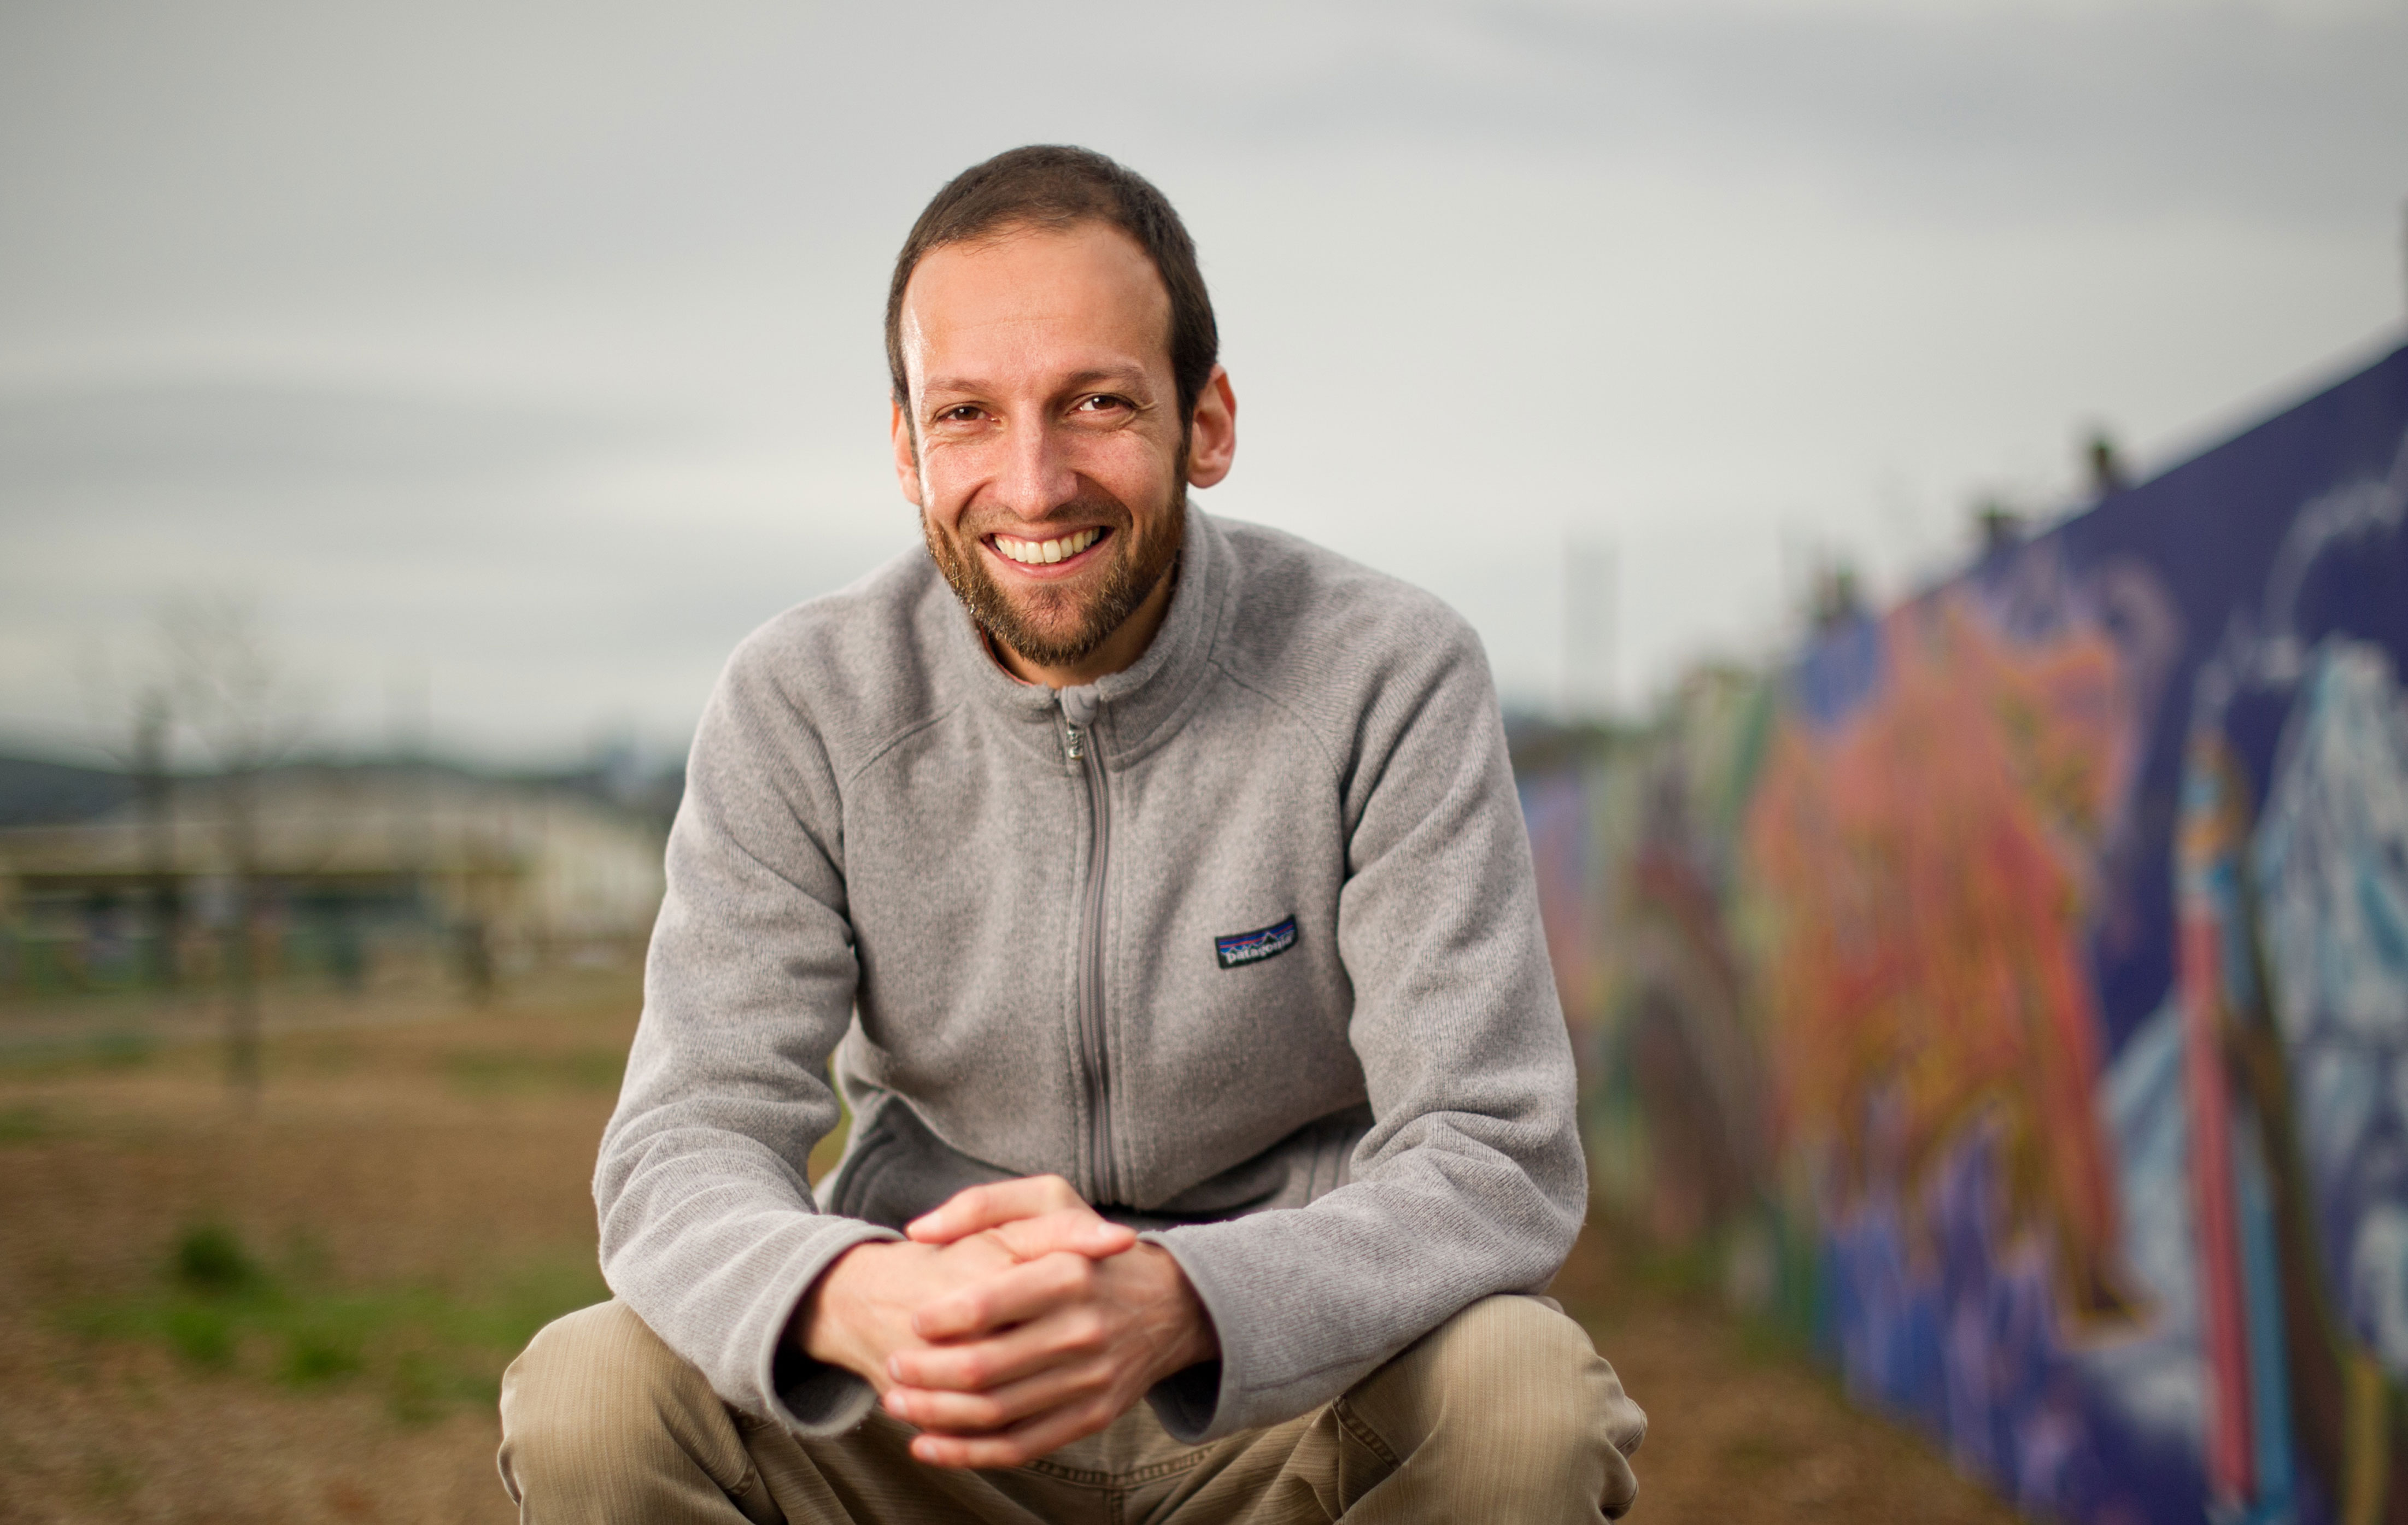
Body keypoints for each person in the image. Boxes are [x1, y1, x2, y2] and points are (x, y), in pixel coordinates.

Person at [496, 144, 1647, 1523]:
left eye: (1094, 402)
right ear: (907, 451)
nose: (1033, 485)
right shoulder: (799, 702)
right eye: (969, 415)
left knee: (1525, 1393)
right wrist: (851, 1294)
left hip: (1287, 1404)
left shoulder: (1385, 673)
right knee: (591, 1395)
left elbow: (1493, 1149)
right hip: (925, 1410)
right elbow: (684, 1142)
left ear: (1204, 422)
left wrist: (1180, 1302)